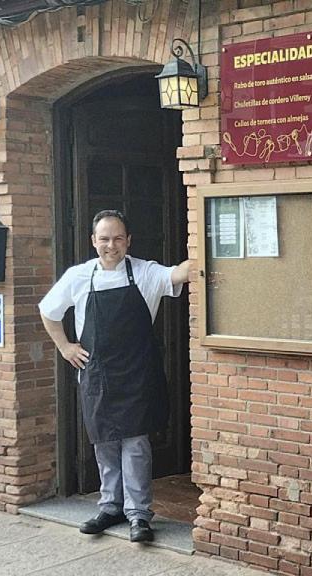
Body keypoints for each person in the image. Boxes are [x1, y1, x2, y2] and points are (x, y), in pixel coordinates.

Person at [39, 209, 190, 543]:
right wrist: (65, 347)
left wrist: (211, 248)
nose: (111, 245)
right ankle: (110, 507)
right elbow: (48, 311)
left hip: (137, 375)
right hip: (97, 375)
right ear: (94, 241)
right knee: (105, 443)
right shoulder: (78, 276)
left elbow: (179, 274)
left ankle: (139, 515)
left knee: (136, 444)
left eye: (118, 238)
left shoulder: (145, 272)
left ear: (128, 241)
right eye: (104, 239)